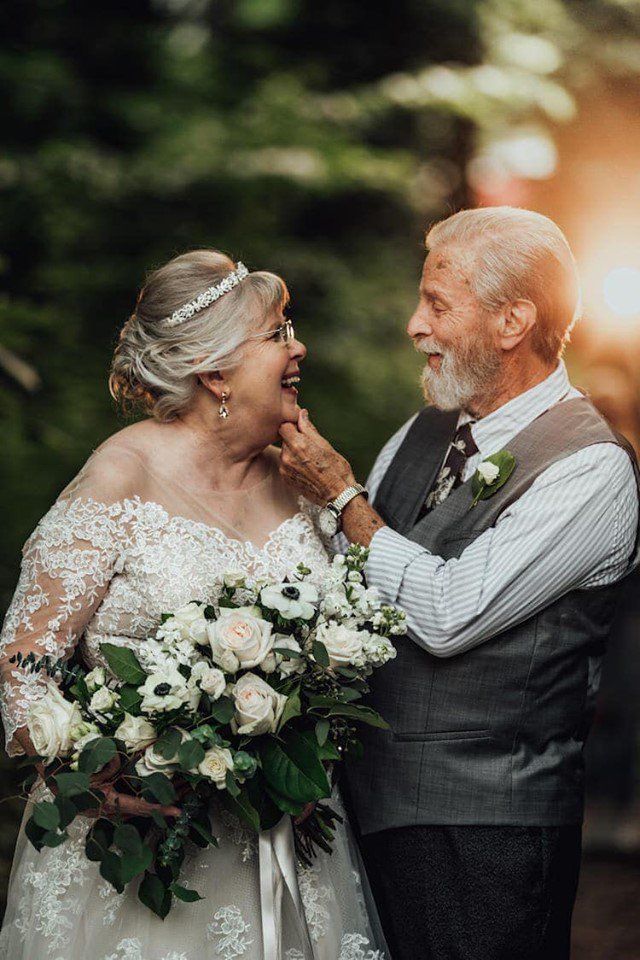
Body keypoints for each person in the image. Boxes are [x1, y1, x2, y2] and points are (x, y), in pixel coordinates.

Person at [0, 251, 387, 960]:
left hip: (289, 842)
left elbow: (363, 631)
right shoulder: (120, 476)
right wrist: (89, 774)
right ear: (215, 372)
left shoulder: (302, 474)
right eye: (277, 333)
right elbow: (22, 667)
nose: (297, 346)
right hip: (144, 854)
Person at [278, 207, 640, 960]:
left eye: (438, 304)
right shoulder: (422, 431)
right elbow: (355, 581)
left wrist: (345, 499)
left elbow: (447, 612)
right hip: (364, 808)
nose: (416, 325)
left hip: (489, 836)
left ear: (512, 321)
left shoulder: (592, 468)